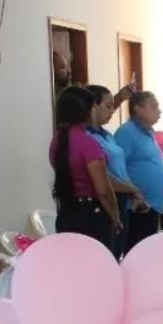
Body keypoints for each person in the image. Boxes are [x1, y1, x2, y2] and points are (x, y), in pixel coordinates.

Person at [50, 87, 122, 245]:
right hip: (90, 217)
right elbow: (103, 190)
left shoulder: (57, 141)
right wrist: (115, 217)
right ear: (87, 111)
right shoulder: (88, 143)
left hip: (66, 211)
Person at [85, 84, 148, 258]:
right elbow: (103, 177)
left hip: (122, 199)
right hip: (104, 201)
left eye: (114, 105)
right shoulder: (88, 138)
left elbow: (119, 168)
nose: (112, 110)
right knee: (107, 253)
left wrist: (132, 191)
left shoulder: (106, 135)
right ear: (93, 107)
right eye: (108, 106)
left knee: (118, 252)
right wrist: (132, 189)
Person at [115, 91, 163, 254]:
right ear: (138, 110)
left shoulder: (149, 133)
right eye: (154, 107)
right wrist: (134, 195)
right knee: (136, 255)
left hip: (151, 207)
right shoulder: (127, 132)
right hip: (137, 207)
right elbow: (117, 169)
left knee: (148, 256)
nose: (159, 111)